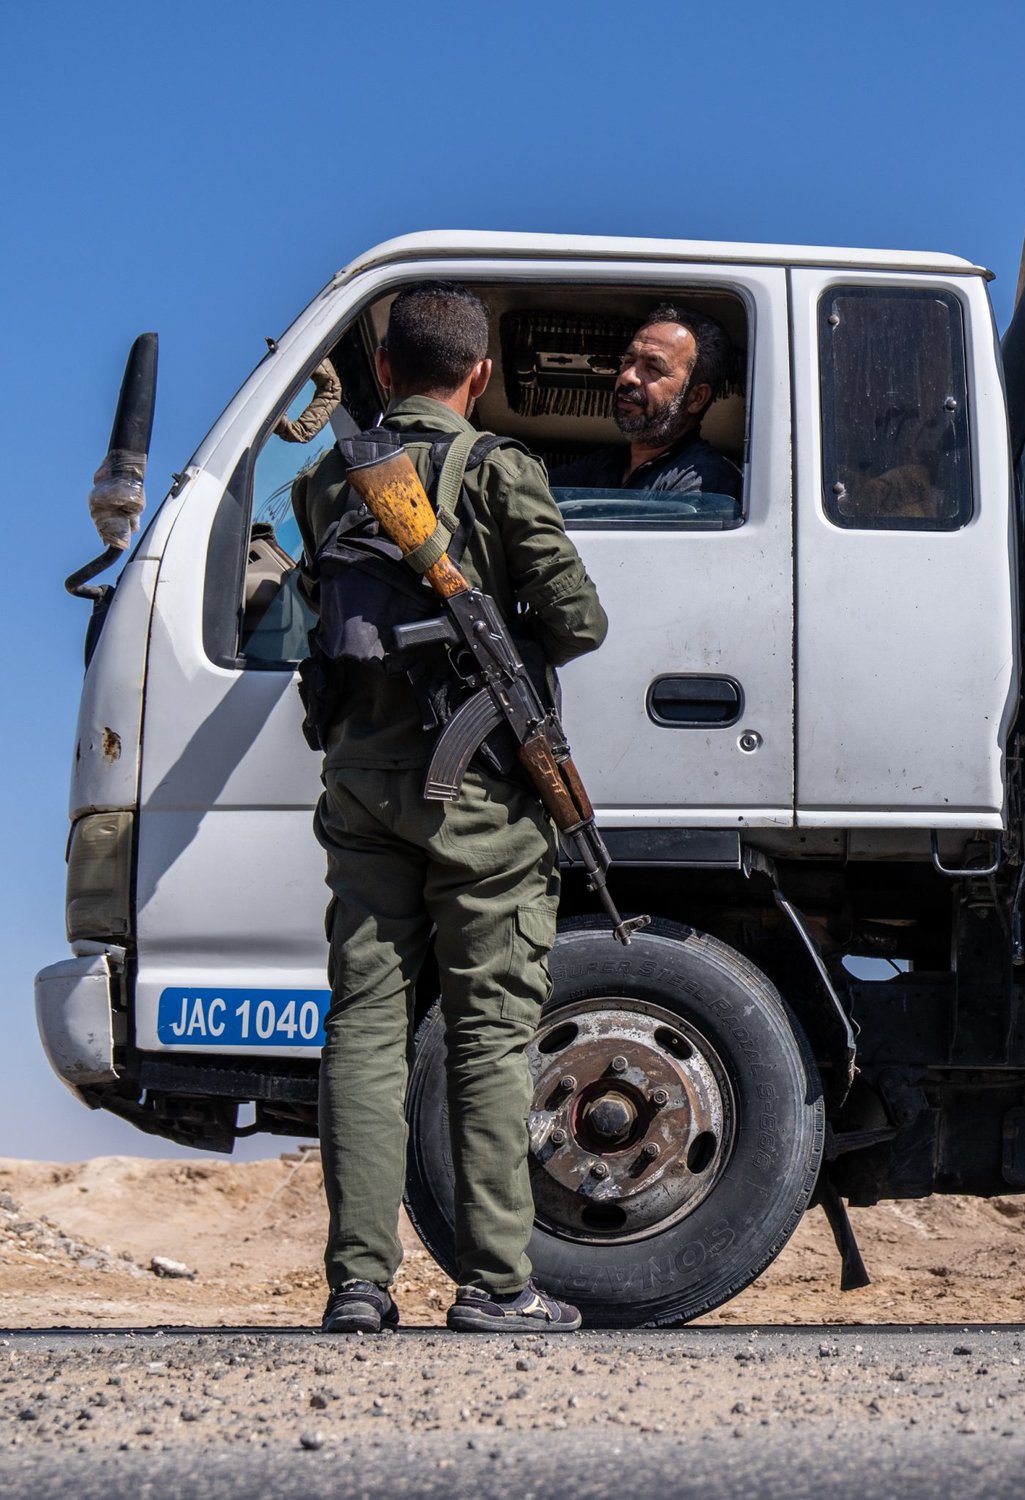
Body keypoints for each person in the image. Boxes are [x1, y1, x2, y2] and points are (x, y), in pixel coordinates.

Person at [291, 281, 608, 1335]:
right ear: (478, 376)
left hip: (362, 786)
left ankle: (359, 1285)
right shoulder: (499, 470)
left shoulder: (328, 486)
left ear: (386, 373)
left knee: (367, 1032)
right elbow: (578, 621)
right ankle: (495, 1286)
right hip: (480, 803)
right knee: (488, 1037)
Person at [550, 304, 742, 498]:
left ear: (696, 398)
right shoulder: (605, 464)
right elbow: (534, 494)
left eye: (654, 368)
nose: (627, 376)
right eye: (628, 361)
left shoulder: (705, 479)